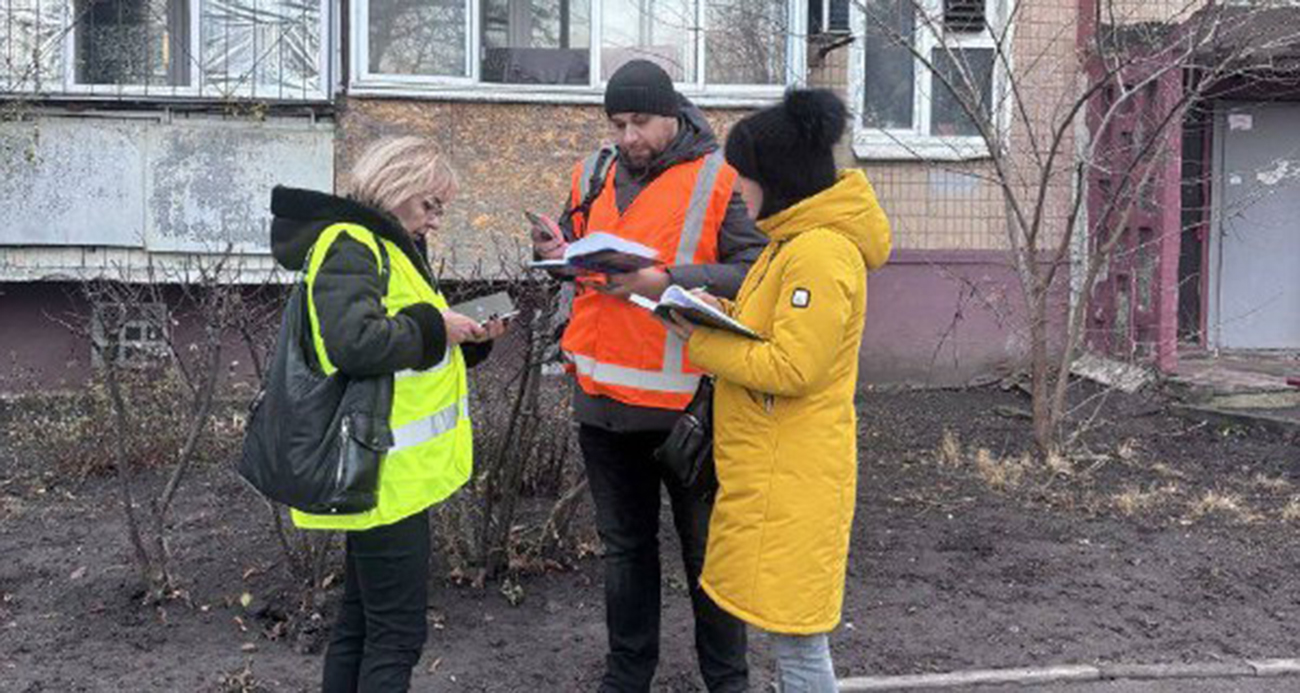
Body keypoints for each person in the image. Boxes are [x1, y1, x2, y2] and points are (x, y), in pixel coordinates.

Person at [532, 59, 766, 692]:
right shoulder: (596, 171)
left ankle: (728, 682)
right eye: (618, 123)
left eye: (640, 122)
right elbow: (572, 248)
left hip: (686, 407)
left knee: (708, 560)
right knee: (624, 553)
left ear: (672, 115)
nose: (628, 136)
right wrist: (553, 253)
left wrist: (672, 280)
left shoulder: (719, 178)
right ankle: (626, 677)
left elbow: (757, 270)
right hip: (601, 401)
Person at [665, 89, 892, 691]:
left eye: (747, 176)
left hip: (795, 474)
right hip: (777, 469)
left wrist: (702, 343)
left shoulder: (819, 253)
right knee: (788, 629)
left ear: (781, 179)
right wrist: (720, 308)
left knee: (798, 638)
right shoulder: (792, 242)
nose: (739, 188)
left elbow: (795, 366)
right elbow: (778, 327)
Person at [269, 136, 505, 693]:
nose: (436, 221)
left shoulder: (388, 248)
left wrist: (470, 337)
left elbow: (408, 349)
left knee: (361, 623)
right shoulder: (352, 245)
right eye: (430, 205)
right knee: (396, 636)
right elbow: (355, 344)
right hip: (383, 478)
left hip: (391, 475)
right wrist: (435, 326)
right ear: (395, 189)